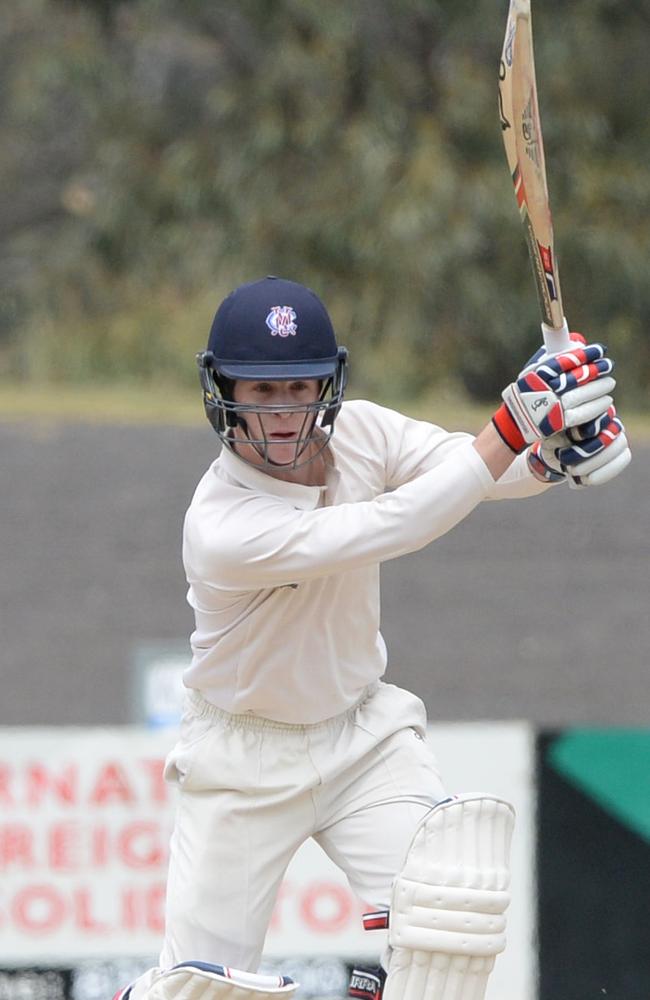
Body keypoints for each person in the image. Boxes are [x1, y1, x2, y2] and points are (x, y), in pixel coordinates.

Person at [114, 276, 630, 1000]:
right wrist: (517, 422)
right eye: (262, 393)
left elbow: (468, 470)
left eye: (300, 387)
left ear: (329, 383)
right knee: (195, 990)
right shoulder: (223, 525)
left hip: (363, 740)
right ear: (223, 391)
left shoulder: (362, 432)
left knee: (452, 905)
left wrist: (551, 454)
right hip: (241, 762)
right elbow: (399, 522)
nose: (285, 412)